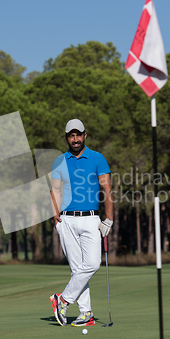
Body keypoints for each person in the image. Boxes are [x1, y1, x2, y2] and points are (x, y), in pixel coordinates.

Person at [50, 119, 113, 327]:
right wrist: (55, 214)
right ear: (66, 137)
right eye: (71, 135)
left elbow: (107, 190)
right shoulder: (60, 161)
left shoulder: (97, 158)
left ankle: (63, 300)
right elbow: (55, 190)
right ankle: (86, 313)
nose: (75, 139)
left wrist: (109, 218)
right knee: (77, 269)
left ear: (85, 135)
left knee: (93, 264)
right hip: (66, 219)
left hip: (91, 218)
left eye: (78, 135)